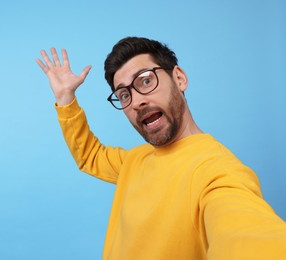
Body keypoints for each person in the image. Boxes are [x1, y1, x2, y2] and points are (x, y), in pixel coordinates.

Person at [36, 37, 286, 259]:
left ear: (179, 78)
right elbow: (90, 155)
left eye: (146, 81)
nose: (136, 101)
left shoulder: (217, 172)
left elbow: (245, 232)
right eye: (124, 95)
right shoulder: (133, 161)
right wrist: (66, 98)